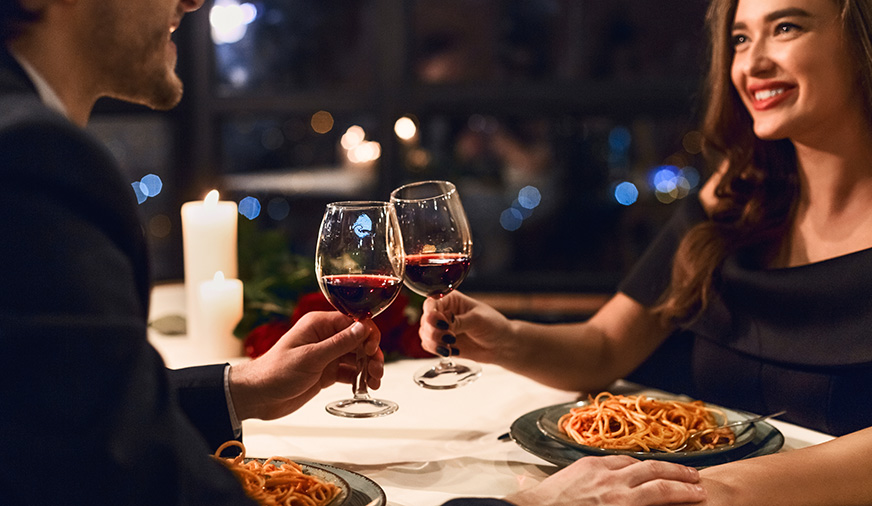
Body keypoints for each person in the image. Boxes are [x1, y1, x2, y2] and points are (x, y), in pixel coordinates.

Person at [0, 0, 708, 505]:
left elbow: (51, 421)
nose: (192, 0)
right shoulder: (33, 158)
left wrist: (238, 390)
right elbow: (146, 483)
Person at [420, 0, 872, 504]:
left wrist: (711, 491)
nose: (751, 63)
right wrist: (506, 341)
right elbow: (607, 346)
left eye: (785, 27)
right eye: (739, 39)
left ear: (865, 39)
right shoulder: (733, 197)